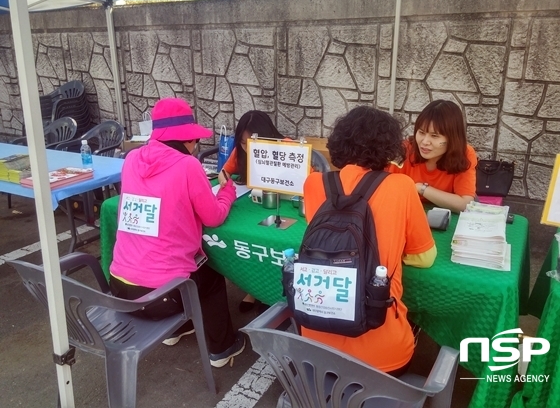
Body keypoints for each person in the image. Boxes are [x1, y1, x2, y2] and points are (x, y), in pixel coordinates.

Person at [109, 97, 245, 368]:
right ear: (186, 140)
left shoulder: (132, 158)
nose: (196, 146)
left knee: (175, 269)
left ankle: (176, 330)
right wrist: (228, 191)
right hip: (163, 296)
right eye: (194, 140)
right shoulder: (188, 166)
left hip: (119, 289)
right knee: (212, 277)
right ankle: (221, 349)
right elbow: (214, 217)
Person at [302, 106, 436, 376]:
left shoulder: (314, 183)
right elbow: (425, 257)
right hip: (383, 356)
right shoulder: (402, 187)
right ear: (387, 147)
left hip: (315, 345)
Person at [217, 110, 287, 312]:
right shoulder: (240, 152)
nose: (247, 148)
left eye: (252, 141)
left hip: (283, 208)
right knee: (250, 244)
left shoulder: (288, 147)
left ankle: (273, 294)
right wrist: (224, 180)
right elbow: (225, 171)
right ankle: (253, 289)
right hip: (252, 206)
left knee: (272, 244)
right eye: (243, 142)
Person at [388, 100, 477, 213]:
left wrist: (421, 188)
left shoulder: (465, 153)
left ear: (453, 138)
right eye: (421, 133)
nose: (425, 142)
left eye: (434, 136)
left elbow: (465, 204)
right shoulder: (404, 150)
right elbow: (385, 190)